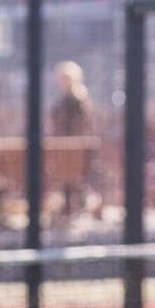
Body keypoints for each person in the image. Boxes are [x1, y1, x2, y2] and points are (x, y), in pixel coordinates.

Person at [50, 60, 97, 219]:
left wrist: (74, 140)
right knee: (67, 178)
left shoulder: (78, 98)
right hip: (64, 144)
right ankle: (69, 208)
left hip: (74, 145)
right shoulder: (65, 98)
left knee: (75, 178)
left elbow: (82, 123)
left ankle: (76, 208)